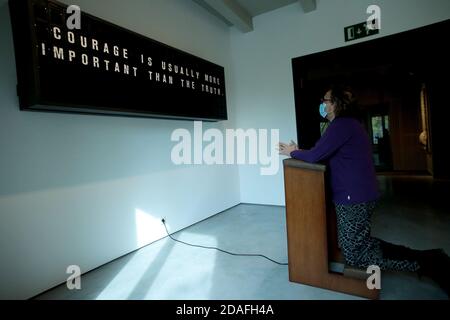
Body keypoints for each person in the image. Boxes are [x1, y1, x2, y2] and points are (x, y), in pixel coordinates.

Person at [279, 85, 449, 296]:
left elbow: (314, 156)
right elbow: (319, 153)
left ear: (335, 104)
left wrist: (293, 151)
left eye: (325, 100)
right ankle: (428, 258)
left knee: (356, 255)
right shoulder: (346, 125)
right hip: (358, 195)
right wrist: (300, 151)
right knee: (361, 244)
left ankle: (427, 264)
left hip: (353, 197)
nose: (322, 104)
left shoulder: (341, 125)